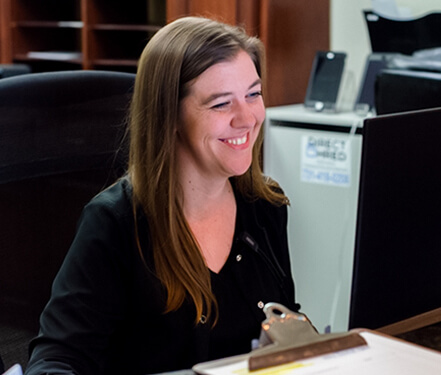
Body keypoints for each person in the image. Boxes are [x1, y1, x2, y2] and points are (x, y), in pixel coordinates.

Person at [25, 16, 299, 375]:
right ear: (169, 114)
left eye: (253, 94)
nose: (247, 118)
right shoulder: (115, 223)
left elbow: (284, 330)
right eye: (220, 104)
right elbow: (58, 358)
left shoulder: (265, 207)